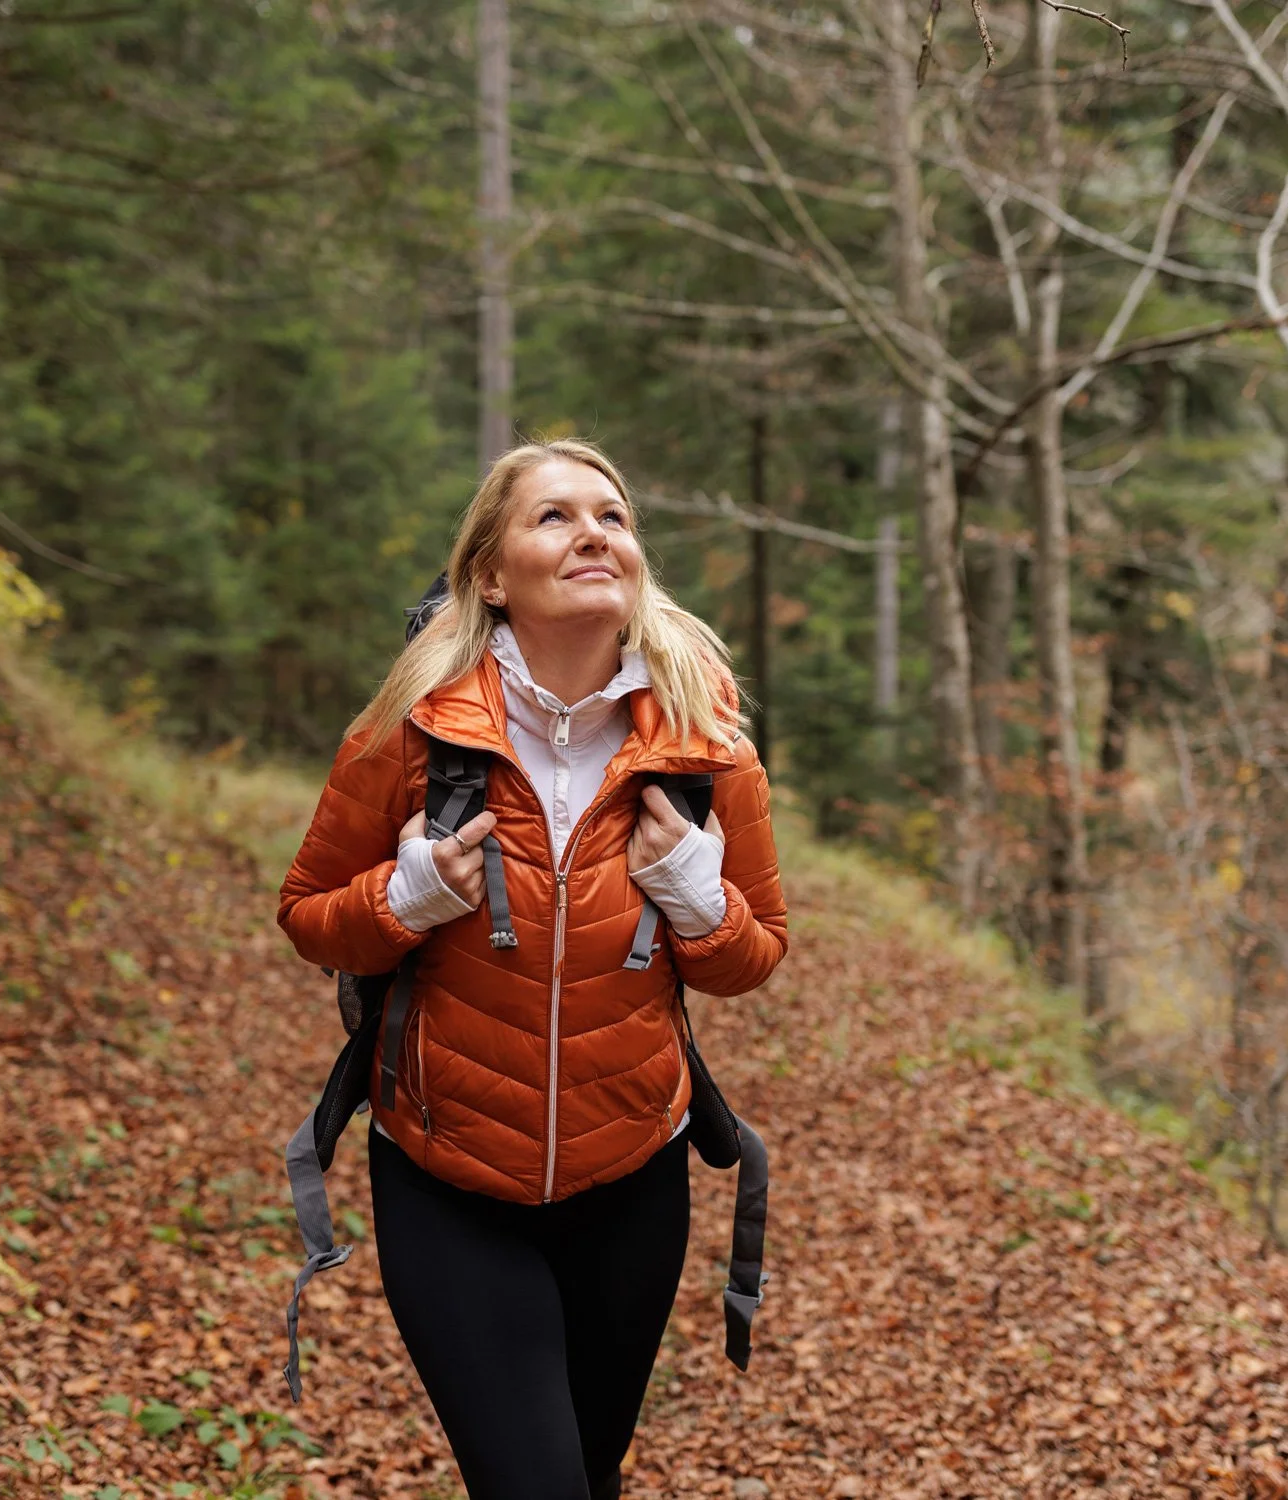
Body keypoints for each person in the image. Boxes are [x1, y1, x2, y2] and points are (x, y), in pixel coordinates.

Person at [277, 438, 788, 1500]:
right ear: (493, 577)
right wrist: (404, 900)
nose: (594, 531)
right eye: (554, 516)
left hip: (632, 1175)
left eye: (613, 515)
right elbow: (310, 917)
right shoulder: (406, 733)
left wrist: (697, 892)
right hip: (447, 1173)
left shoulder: (707, 746)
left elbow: (754, 956)